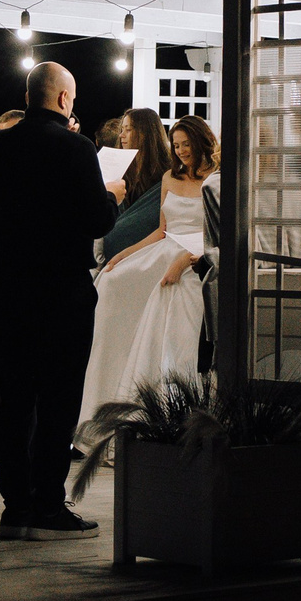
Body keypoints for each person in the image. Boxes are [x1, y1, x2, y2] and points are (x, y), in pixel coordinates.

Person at [0, 61, 119, 541]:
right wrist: (112, 196)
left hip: (8, 287)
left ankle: (14, 509)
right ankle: (48, 506)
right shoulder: (77, 147)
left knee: (15, 401)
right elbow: (95, 220)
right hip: (60, 289)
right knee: (59, 398)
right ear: (64, 99)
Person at [79, 113, 221, 426]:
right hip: (163, 247)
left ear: (201, 142)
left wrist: (184, 260)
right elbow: (160, 231)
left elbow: (216, 233)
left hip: (197, 257)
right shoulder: (171, 177)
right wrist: (122, 256)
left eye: (186, 144)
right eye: (177, 145)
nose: (182, 150)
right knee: (111, 282)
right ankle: (103, 393)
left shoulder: (217, 179)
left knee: (172, 295)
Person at [94, 108, 172, 266]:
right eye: (122, 129)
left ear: (145, 133)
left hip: (147, 258)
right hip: (110, 258)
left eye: (128, 130)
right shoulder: (121, 171)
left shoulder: (166, 176)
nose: (121, 135)